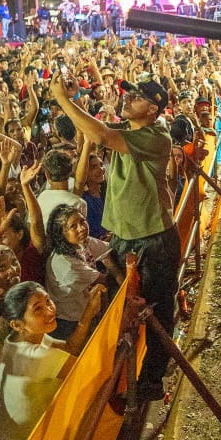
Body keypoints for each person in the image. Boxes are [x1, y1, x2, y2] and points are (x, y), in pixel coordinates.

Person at [49, 75, 177, 400]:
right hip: (124, 238)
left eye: (136, 97)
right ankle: (117, 377)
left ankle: (151, 381)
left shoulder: (156, 136)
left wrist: (62, 99)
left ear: (153, 109)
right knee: (117, 305)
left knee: (157, 310)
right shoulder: (126, 131)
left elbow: (100, 134)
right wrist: (76, 101)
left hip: (153, 239)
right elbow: (94, 131)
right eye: (128, 94)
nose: (127, 99)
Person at [0, 281, 94, 440]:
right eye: (38, 309)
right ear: (17, 324)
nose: (49, 310)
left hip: (13, 434)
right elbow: (90, 371)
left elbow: (69, 348)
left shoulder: (17, 338)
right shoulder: (35, 356)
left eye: (48, 301)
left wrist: (89, 310)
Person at [44, 205, 108, 340]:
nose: (82, 228)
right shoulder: (66, 263)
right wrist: (112, 265)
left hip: (84, 314)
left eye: (83, 221)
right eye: (73, 226)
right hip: (70, 324)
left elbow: (109, 248)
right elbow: (105, 280)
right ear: (61, 233)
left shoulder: (81, 243)